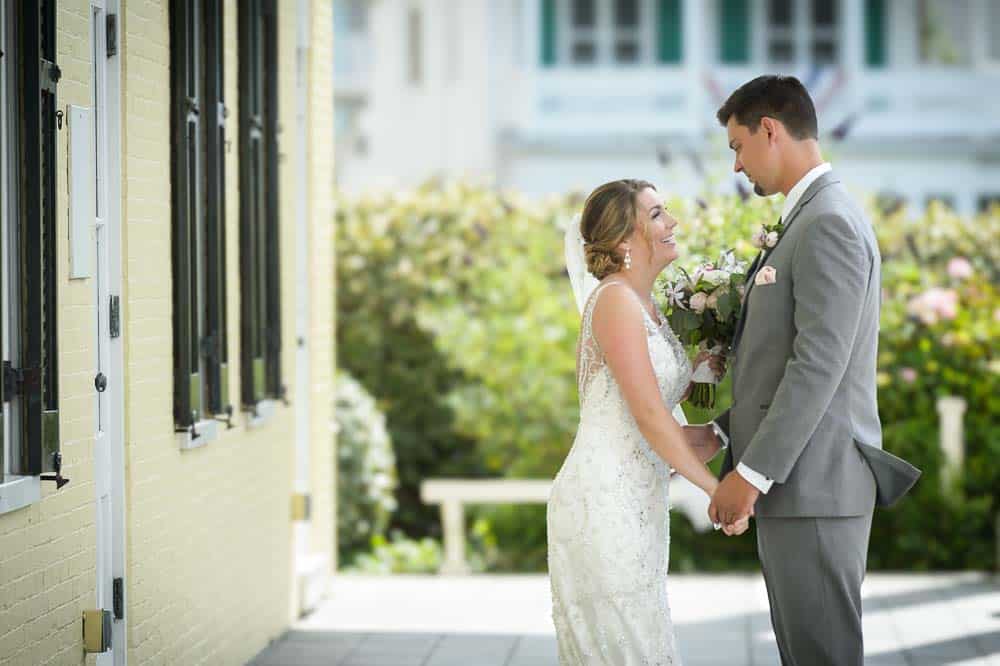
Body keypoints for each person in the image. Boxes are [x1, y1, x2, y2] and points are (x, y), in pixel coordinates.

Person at [685, 75, 917, 666]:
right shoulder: (808, 218)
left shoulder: (828, 222)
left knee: (822, 655)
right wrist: (718, 434)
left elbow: (818, 365)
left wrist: (752, 473)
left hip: (814, 485)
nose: (736, 166)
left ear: (770, 129)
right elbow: (779, 360)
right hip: (803, 487)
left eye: (737, 146)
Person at [548, 179, 736, 664]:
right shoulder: (614, 302)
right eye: (656, 215)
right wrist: (718, 492)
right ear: (623, 238)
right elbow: (651, 419)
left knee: (645, 641)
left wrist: (722, 431)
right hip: (602, 502)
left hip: (639, 503)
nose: (672, 223)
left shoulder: (648, 308)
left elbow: (658, 427)